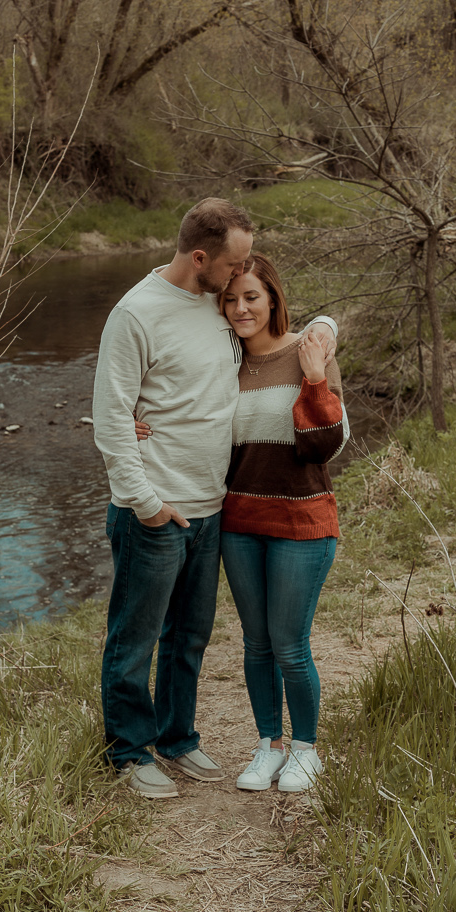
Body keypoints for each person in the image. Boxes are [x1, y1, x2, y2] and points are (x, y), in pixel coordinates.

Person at [93, 199, 336, 800]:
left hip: (211, 507)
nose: (238, 278)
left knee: (189, 636)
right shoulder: (135, 315)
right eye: (231, 267)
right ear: (200, 258)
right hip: (155, 508)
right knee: (136, 637)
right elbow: (110, 414)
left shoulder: (218, 304)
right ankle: (129, 752)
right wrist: (143, 501)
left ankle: (177, 739)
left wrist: (326, 330)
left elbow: (279, 311)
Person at [212, 254, 347, 793]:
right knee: (256, 643)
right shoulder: (222, 364)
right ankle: (269, 745)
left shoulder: (309, 351)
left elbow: (327, 444)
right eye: (230, 298)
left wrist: (314, 380)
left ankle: (306, 750)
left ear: (272, 298)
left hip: (302, 521)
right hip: (239, 521)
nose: (241, 308)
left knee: (289, 642)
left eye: (251, 297)